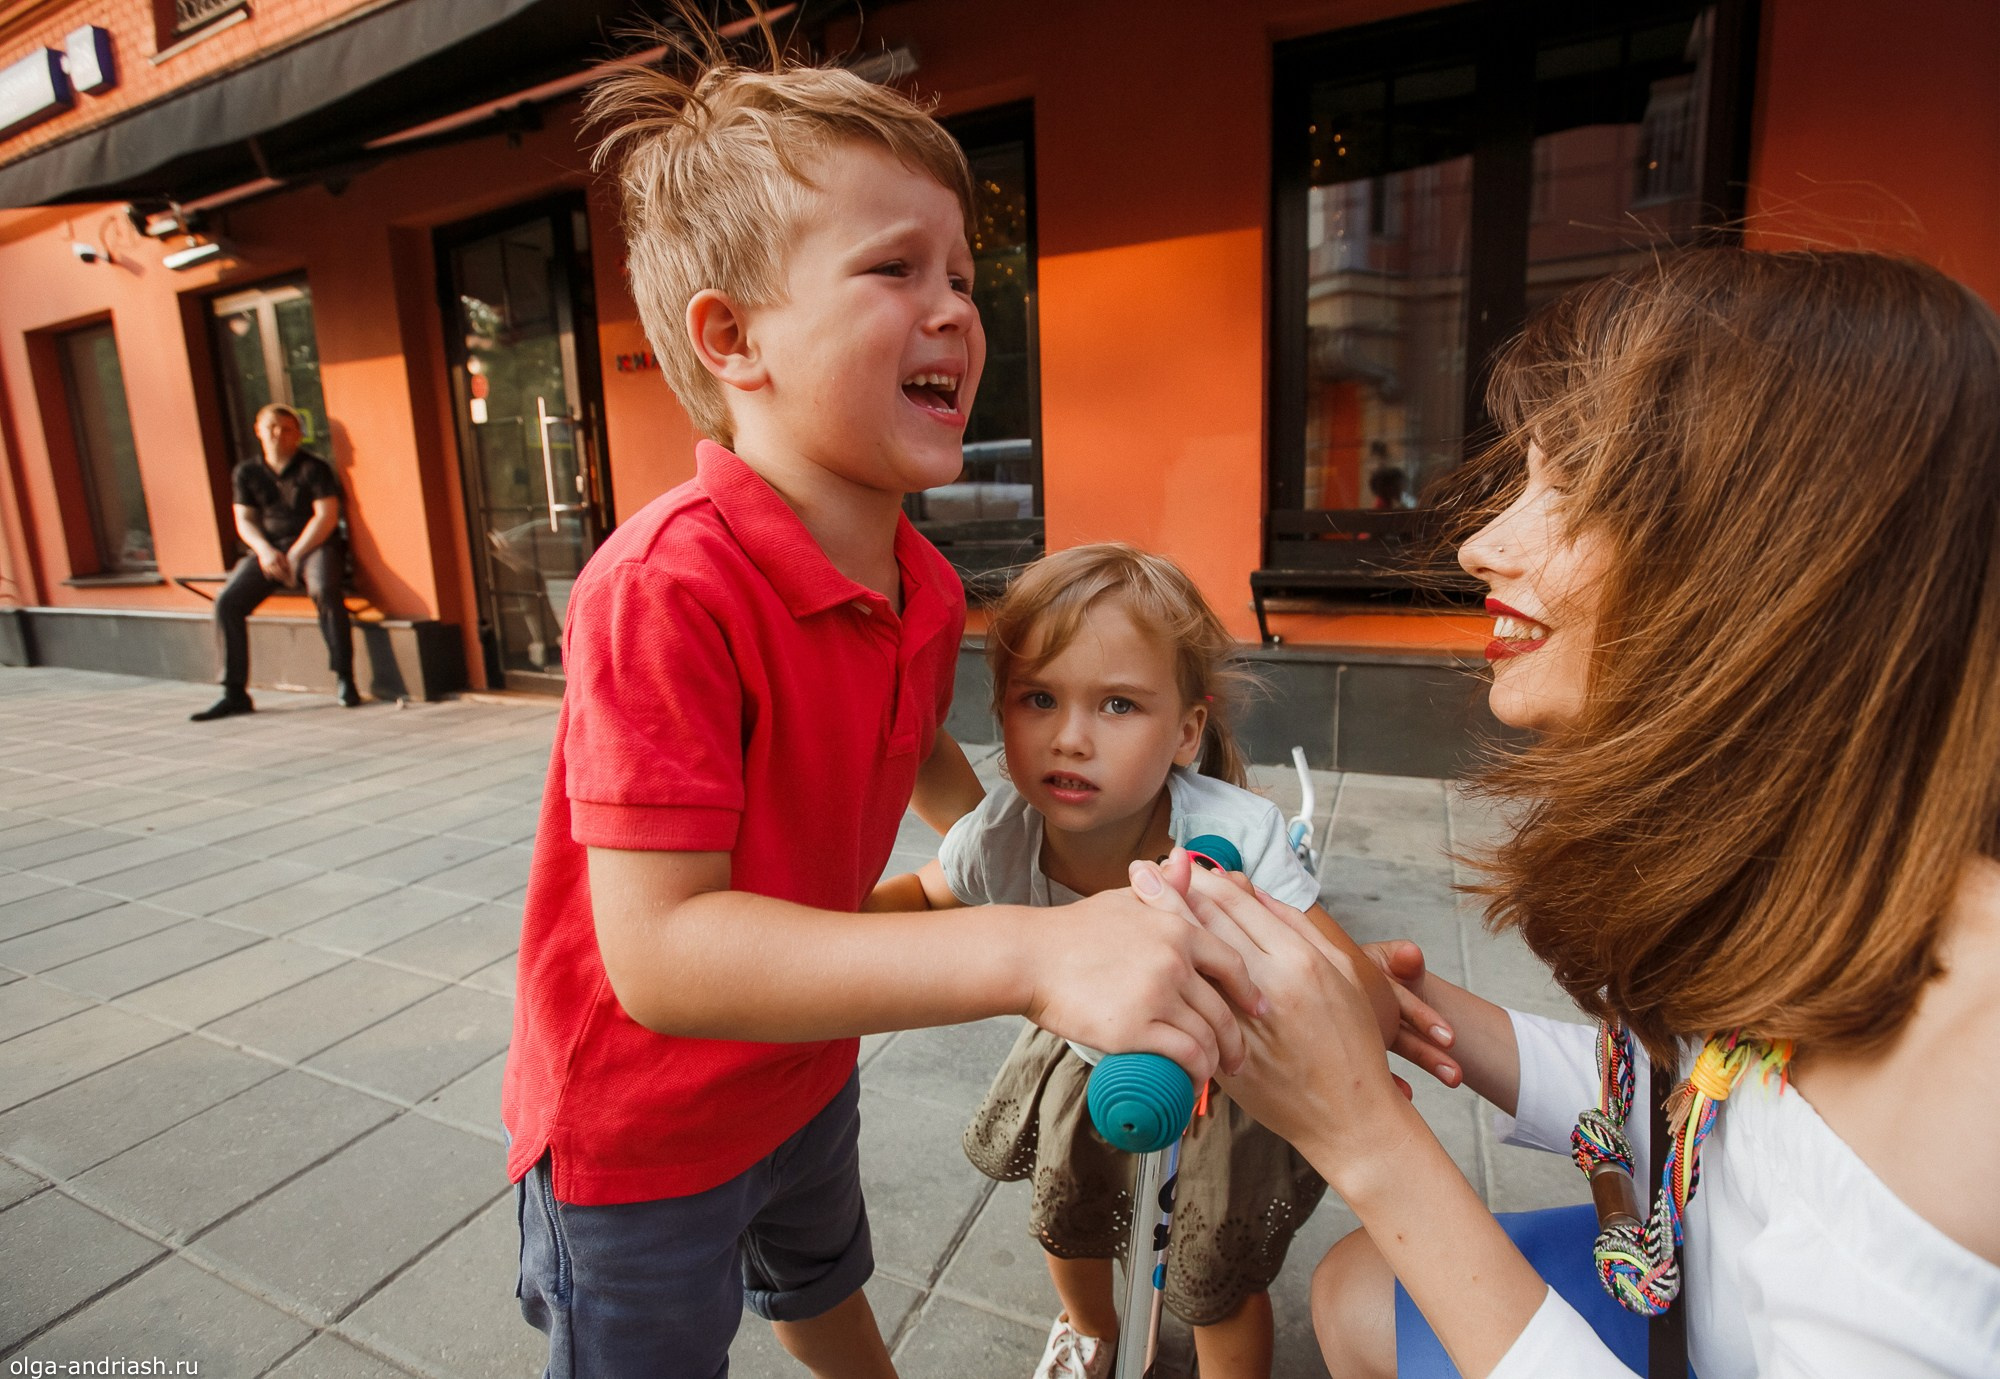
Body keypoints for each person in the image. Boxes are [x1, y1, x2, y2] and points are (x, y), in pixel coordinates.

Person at [500, 42, 1263, 1379]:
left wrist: (1056, 873)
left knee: (823, 1275)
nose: (958, 309)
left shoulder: (916, 580)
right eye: (894, 269)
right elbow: (664, 953)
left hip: (800, 1065)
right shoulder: (664, 585)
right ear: (732, 338)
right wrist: (1031, 949)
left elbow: (916, 756)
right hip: (643, 1127)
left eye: (963, 276)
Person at [1132, 249, 2000, 1378]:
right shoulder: (1840, 871)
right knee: (1354, 1287)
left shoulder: (1967, 1076)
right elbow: (1713, 1102)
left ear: (1782, 560)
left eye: (1570, 490)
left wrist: (1367, 1137)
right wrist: (1401, 1006)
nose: (1480, 546)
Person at [869, 543, 1415, 1379]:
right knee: (1068, 1219)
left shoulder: (1235, 839)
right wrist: (818, 925)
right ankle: (1090, 1328)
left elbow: (1347, 987)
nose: (1071, 737)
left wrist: (1362, 1011)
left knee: (1210, 1280)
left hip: (1229, 1082)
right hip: (1089, 1059)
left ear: (1186, 729)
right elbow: (925, 894)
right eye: (1039, 698)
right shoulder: (1003, 831)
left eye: (1118, 704)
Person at [190, 402, 358, 719]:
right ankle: (234, 691)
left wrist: (295, 556)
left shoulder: (315, 468)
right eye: (271, 427)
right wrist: (265, 552)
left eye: (287, 428)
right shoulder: (247, 472)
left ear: (298, 434)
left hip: (315, 545)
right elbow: (245, 520)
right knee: (227, 600)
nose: (278, 434)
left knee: (325, 589)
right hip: (270, 549)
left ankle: (345, 677)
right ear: (258, 431)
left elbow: (326, 516)